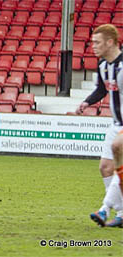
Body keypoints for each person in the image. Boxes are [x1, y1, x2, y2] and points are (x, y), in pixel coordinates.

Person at [75, 24, 123, 228]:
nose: (93, 46)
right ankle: (121, 212)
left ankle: (104, 208)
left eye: (97, 42)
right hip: (116, 123)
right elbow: (102, 90)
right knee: (105, 167)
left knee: (117, 153)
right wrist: (87, 102)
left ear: (110, 42)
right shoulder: (104, 65)